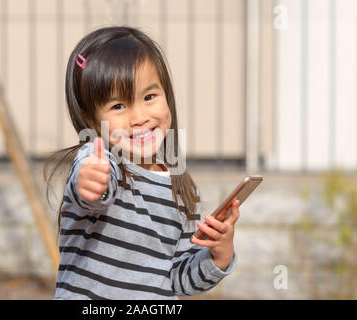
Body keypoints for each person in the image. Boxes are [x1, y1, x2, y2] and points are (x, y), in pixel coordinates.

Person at [43, 26, 239, 300]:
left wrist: (219, 255)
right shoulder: (98, 160)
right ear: (90, 119)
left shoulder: (182, 189)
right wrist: (89, 183)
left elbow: (179, 280)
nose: (139, 117)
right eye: (118, 106)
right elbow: (93, 192)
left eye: (149, 97)